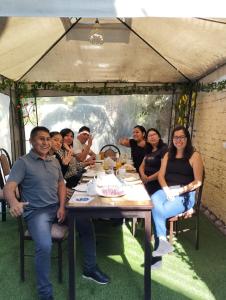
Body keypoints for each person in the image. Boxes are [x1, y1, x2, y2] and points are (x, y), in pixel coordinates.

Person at [3, 126, 66, 300]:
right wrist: (14, 202)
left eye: (48, 139)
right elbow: (9, 187)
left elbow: (61, 184)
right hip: (37, 212)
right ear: (32, 141)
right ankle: (45, 294)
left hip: (56, 207)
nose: (46, 142)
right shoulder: (23, 162)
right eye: (41, 139)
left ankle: (90, 269)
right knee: (45, 246)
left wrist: (62, 206)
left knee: (85, 220)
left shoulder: (54, 161)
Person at [49, 130, 109, 286]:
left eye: (59, 140)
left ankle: (88, 241)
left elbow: (61, 180)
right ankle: (89, 269)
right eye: (53, 140)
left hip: (59, 200)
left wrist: (62, 190)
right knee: (85, 221)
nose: (57, 143)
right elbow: (61, 180)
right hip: (50, 209)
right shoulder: (46, 159)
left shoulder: (54, 160)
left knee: (86, 210)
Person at [151, 125, 203, 259]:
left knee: (159, 211)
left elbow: (198, 182)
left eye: (181, 137)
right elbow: (161, 176)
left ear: (187, 139)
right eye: (175, 137)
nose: (178, 140)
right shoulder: (168, 154)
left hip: (185, 194)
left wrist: (179, 191)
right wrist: (167, 190)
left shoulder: (194, 155)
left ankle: (160, 245)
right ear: (172, 139)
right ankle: (163, 241)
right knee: (153, 201)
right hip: (167, 190)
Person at [139, 128, 168, 196]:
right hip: (146, 181)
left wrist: (148, 179)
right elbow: (141, 167)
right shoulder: (149, 150)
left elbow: (163, 169)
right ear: (147, 140)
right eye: (150, 136)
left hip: (157, 183)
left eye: (154, 134)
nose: (152, 137)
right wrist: (143, 175)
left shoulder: (164, 149)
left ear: (159, 137)